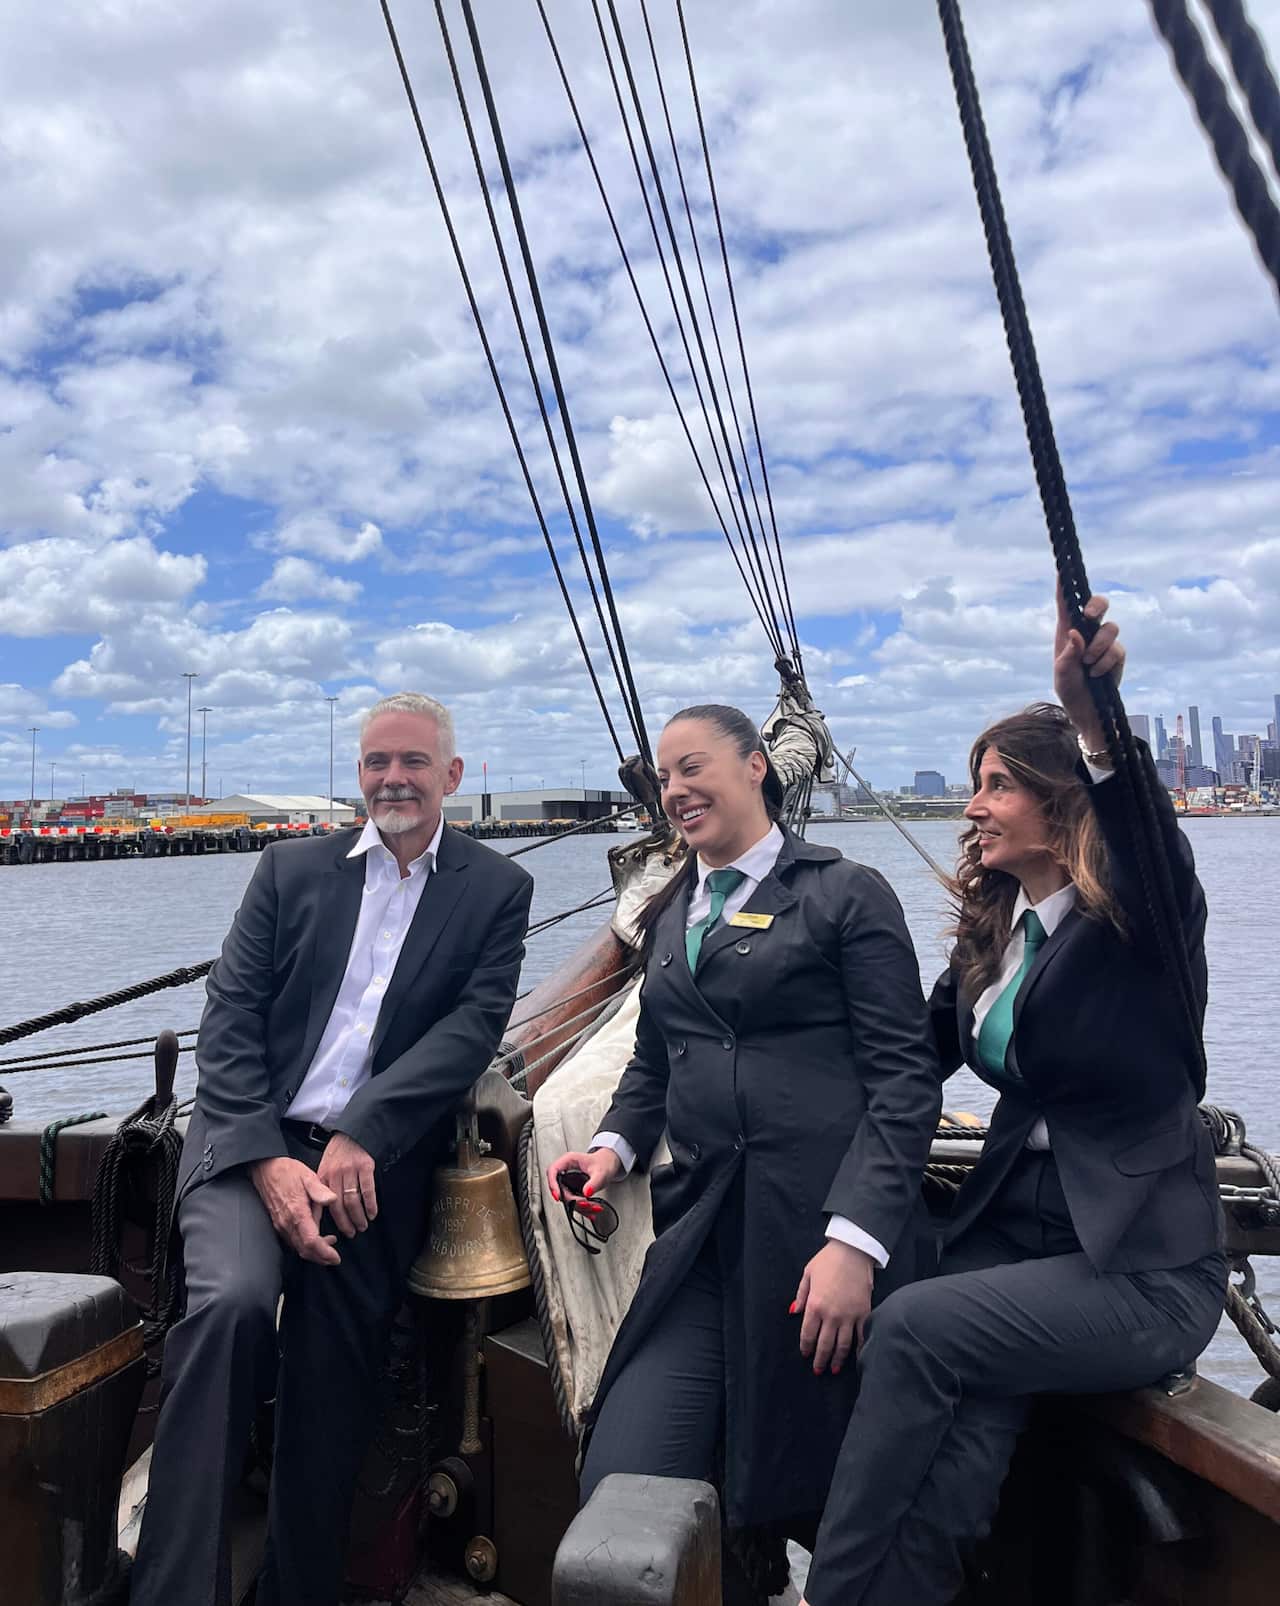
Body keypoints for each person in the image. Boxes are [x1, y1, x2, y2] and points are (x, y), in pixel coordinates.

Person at [801, 596, 1227, 1606]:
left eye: (996, 785)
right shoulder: (993, 941)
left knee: (911, 1327)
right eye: (971, 784)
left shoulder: (1140, 935)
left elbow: (1151, 851)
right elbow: (902, 1058)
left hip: (1138, 1264)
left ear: (1060, 799)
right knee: (959, 1433)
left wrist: (1094, 721)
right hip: (1017, 1238)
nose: (973, 805)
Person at [131, 693, 534, 1606]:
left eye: (413, 763)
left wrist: (364, 1130)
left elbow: (471, 1029)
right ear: (357, 775)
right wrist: (268, 1159)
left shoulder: (496, 890)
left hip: (368, 1163)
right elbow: (229, 1019)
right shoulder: (288, 869)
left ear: (453, 778)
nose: (392, 778)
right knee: (231, 1308)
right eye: (375, 763)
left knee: (331, 1382)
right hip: (248, 1147)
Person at [546, 704, 942, 1575]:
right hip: (704, 1245)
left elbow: (905, 1083)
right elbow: (656, 1057)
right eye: (666, 777)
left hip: (818, 1247)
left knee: (840, 1503)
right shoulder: (672, 908)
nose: (677, 790)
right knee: (620, 1493)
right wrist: (610, 1150)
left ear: (758, 765)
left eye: (694, 768)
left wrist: (855, 1242)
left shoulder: (844, 894)